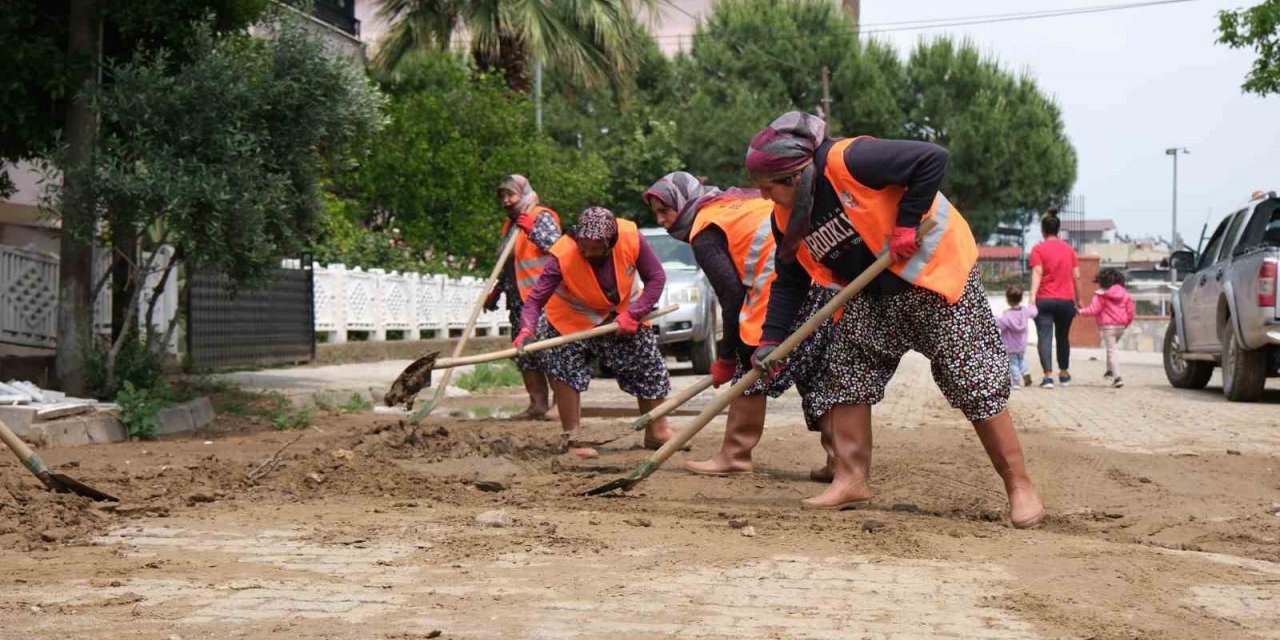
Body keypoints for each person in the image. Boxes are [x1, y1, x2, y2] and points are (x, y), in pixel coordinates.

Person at [744, 111, 1045, 528]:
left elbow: (931, 158)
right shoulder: (787, 219)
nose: (763, 197)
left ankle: (1019, 485)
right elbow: (789, 280)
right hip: (871, 293)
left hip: (935, 281)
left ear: (795, 175)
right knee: (847, 372)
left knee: (972, 378)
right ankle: (851, 479)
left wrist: (905, 225)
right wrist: (771, 340)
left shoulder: (848, 160)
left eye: (767, 187)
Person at [644, 171, 837, 476]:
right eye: (656, 213)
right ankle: (839, 461)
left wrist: (725, 357)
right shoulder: (733, 201)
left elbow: (731, 298)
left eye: (665, 210)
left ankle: (735, 454)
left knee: (751, 371)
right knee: (816, 374)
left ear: (684, 202)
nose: (661, 220)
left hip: (784, 292)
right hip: (820, 284)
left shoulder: (705, 229)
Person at [515, 207, 674, 458]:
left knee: (647, 364)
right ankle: (575, 440)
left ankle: (657, 430)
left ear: (610, 243)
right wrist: (526, 328)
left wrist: (634, 314)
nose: (587, 252)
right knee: (564, 370)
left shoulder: (630, 236)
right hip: (571, 319)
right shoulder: (563, 254)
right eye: (583, 246)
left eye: (595, 248)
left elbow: (656, 277)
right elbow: (535, 301)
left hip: (621, 314)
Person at [484, 175, 561, 420]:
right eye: (502, 196)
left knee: (549, 350)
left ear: (524, 194)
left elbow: (559, 248)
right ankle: (537, 404)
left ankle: (561, 405)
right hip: (518, 300)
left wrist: (533, 230)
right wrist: (498, 289)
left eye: (511, 194)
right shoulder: (509, 226)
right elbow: (510, 264)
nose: (506, 201)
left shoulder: (541, 217)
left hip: (545, 299)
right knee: (525, 352)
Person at [1029, 208, 1080, 389]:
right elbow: (1076, 277)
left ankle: (1047, 376)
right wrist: (1078, 301)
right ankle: (1064, 374)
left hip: (1045, 299)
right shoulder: (1069, 250)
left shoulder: (1038, 249)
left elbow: (1037, 272)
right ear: (1058, 230)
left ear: (1043, 230)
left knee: (1045, 337)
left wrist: (1032, 297)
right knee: (1063, 337)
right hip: (1066, 300)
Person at [1077, 268, 1135, 388]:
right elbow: (1131, 312)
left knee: (1111, 351)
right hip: (1121, 327)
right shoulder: (1125, 294)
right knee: (1111, 350)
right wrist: (1126, 323)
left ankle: (1117, 378)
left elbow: (1094, 310)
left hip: (1108, 327)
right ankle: (1109, 371)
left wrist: (1080, 311)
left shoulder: (1100, 294)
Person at [995, 286, 1038, 390]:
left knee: (1013, 363)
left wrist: (993, 318)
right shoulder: (1025, 311)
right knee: (1022, 360)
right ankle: (1025, 372)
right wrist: (1032, 303)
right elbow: (1034, 312)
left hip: (1010, 345)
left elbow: (1000, 324)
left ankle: (1016, 382)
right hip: (1021, 344)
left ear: (1007, 300)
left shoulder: (1006, 315)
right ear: (1021, 298)